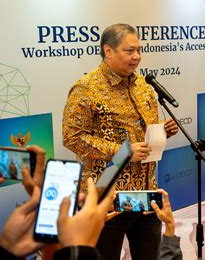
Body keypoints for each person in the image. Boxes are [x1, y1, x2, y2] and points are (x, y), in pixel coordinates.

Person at [62, 23, 179, 260]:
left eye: (139, 50)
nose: (137, 57)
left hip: (146, 194)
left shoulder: (144, 87)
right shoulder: (86, 88)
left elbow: (144, 134)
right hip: (108, 198)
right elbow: (71, 137)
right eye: (129, 50)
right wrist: (122, 151)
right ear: (108, 51)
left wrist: (162, 132)